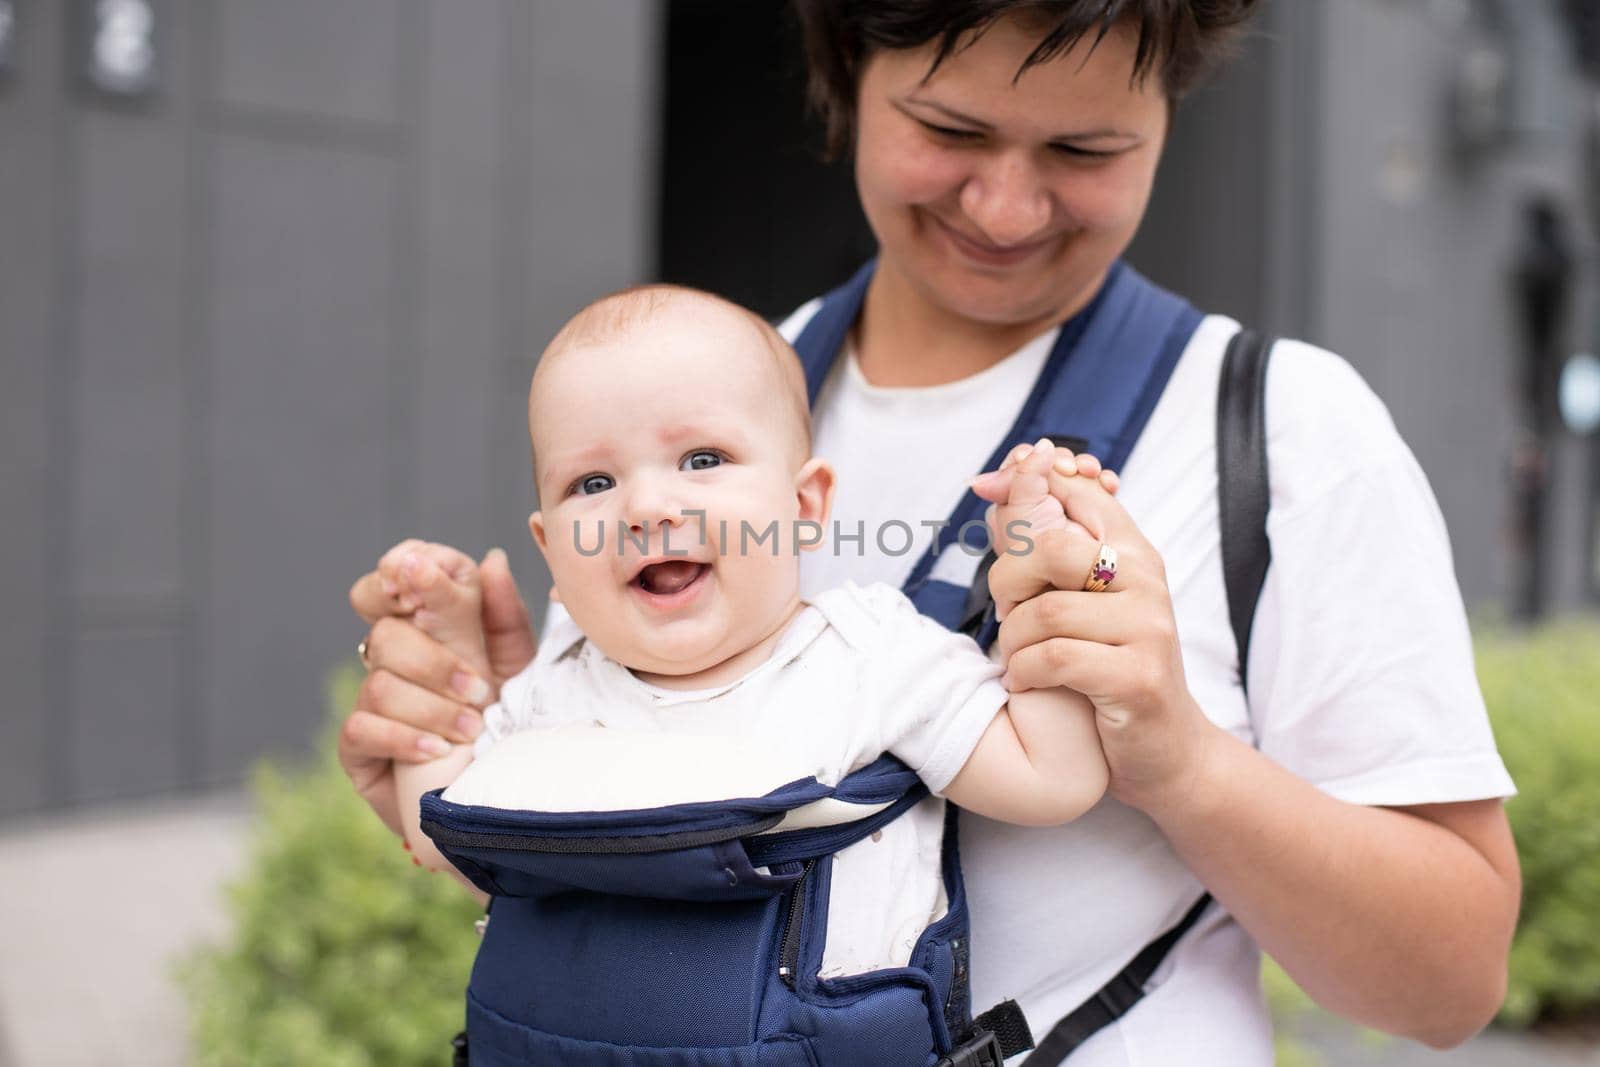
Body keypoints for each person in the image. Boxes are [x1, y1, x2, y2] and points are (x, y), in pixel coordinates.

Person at [345, 3, 1522, 1063]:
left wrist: (1179, 757)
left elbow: (1447, 984)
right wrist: (495, 749)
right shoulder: (692, 407)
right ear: (845, 70)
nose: (1004, 207)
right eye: (949, 132)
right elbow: (630, 891)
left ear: (1167, 112)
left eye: (1083, 149)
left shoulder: (1284, 433)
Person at [390, 283, 1115, 980]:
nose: (646, 504)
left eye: (702, 460)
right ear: (551, 549)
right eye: (593, 483)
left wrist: (1043, 579)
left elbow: (1052, 778)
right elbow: (441, 833)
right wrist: (446, 653)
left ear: (803, 504)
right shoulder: (553, 691)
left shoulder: (869, 655)